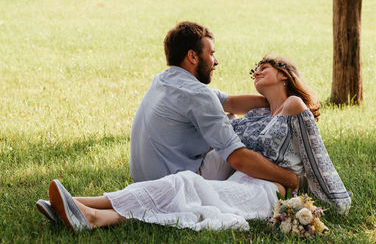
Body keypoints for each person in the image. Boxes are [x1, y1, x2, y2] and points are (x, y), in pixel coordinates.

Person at [36, 55, 352, 232]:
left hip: (264, 192)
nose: (255, 71)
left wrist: (335, 201)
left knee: (183, 185)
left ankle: (76, 204)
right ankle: (92, 214)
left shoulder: (295, 106)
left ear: (284, 75)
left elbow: (317, 157)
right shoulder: (255, 114)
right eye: (253, 69)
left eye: (263, 68)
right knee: (180, 188)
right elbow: (219, 115)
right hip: (239, 182)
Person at [128, 21, 298, 189]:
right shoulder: (199, 94)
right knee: (243, 132)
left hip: (143, 180)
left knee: (230, 117)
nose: (215, 61)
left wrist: (279, 102)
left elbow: (230, 103)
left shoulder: (163, 79)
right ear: (193, 56)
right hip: (177, 185)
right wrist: (290, 179)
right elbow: (238, 157)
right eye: (211, 54)